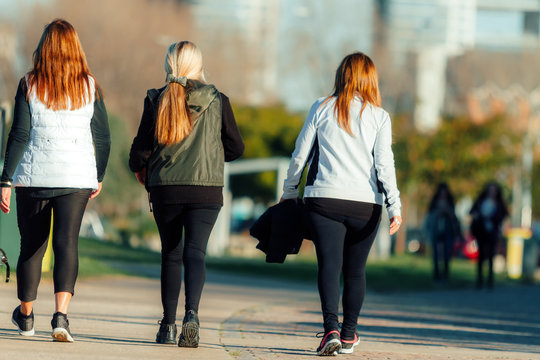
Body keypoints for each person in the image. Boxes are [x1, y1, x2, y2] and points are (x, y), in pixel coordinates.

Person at [281, 52, 402, 355]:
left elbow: (301, 154)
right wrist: (394, 206)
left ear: (341, 75)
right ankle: (348, 335)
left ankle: (330, 329)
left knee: (329, 266)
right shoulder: (380, 116)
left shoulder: (321, 107)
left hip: (325, 200)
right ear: (370, 79)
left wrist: (289, 190)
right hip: (366, 205)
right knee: (356, 271)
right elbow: (385, 165)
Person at [0, 19, 111, 342]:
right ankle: (61, 317)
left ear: (43, 48)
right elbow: (102, 138)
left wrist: (5, 179)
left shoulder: (29, 83)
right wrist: (98, 175)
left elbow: (19, 134)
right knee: (67, 244)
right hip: (76, 177)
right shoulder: (90, 86)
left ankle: (26, 316)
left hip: (34, 177)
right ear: (76, 48)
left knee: (32, 247)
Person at [129, 41, 244, 348]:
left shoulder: (156, 99)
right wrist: (211, 154)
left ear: (169, 64)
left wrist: (144, 169)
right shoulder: (218, 100)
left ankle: (167, 325)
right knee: (196, 252)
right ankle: (191, 315)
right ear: (198, 64)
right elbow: (236, 148)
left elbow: (139, 153)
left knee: (171, 254)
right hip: (206, 190)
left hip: (165, 189)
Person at [470, 182, 508, 289]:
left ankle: (490, 281)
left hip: (492, 231)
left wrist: (494, 219)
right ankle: (479, 280)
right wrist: (479, 216)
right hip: (481, 231)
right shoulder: (481, 201)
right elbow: (472, 211)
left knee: (491, 255)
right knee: (481, 255)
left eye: (494, 190)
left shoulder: (498, 203)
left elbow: (503, 215)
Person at [425, 183, 462, 282]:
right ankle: (436, 274)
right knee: (436, 254)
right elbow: (430, 216)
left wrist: (447, 212)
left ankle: (446, 273)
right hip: (436, 229)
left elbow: (454, 217)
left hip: (447, 230)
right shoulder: (434, 203)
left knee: (447, 253)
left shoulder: (450, 203)